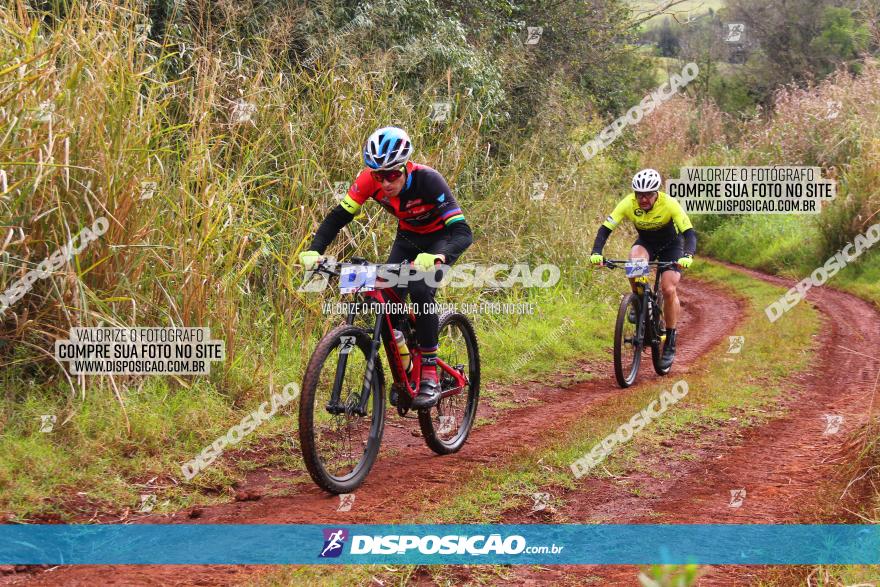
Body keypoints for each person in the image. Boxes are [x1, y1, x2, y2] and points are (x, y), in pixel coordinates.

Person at [299, 126, 473, 408]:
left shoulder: (429, 180)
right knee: (379, 291)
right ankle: (404, 358)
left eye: (392, 174)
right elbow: (339, 216)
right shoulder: (369, 180)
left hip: (440, 239)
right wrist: (314, 251)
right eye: (379, 176)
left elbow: (463, 232)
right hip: (407, 239)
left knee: (419, 287)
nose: (385, 182)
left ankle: (429, 373)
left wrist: (439, 257)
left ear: (405, 167)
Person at [589, 168, 697, 369]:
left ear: (656, 193)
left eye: (648, 194)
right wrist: (596, 252)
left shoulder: (669, 204)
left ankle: (670, 340)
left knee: (668, 288)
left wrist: (687, 256)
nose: (643, 199)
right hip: (646, 243)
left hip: (671, 247)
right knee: (634, 263)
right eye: (639, 194)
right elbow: (605, 228)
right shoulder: (628, 203)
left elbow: (689, 233)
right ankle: (639, 300)